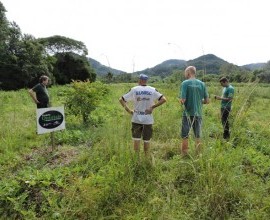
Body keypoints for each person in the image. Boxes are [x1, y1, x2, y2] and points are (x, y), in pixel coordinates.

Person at [119, 74, 166, 156]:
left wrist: (129, 110)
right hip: (148, 119)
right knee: (147, 140)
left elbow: (121, 99)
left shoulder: (134, 89)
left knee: (136, 139)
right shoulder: (152, 90)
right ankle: (146, 158)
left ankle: (137, 159)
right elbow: (163, 99)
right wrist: (152, 107)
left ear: (139, 80)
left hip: (136, 118)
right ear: (146, 81)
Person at [179, 66, 209, 156]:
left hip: (187, 114)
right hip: (198, 113)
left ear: (188, 72)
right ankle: (198, 154)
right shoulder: (202, 84)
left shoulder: (185, 83)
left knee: (185, 135)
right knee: (198, 135)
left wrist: (181, 101)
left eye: (185, 72)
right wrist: (199, 102)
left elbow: (182, 100)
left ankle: (184, 154)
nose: (185, 74)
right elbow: (207, 101)